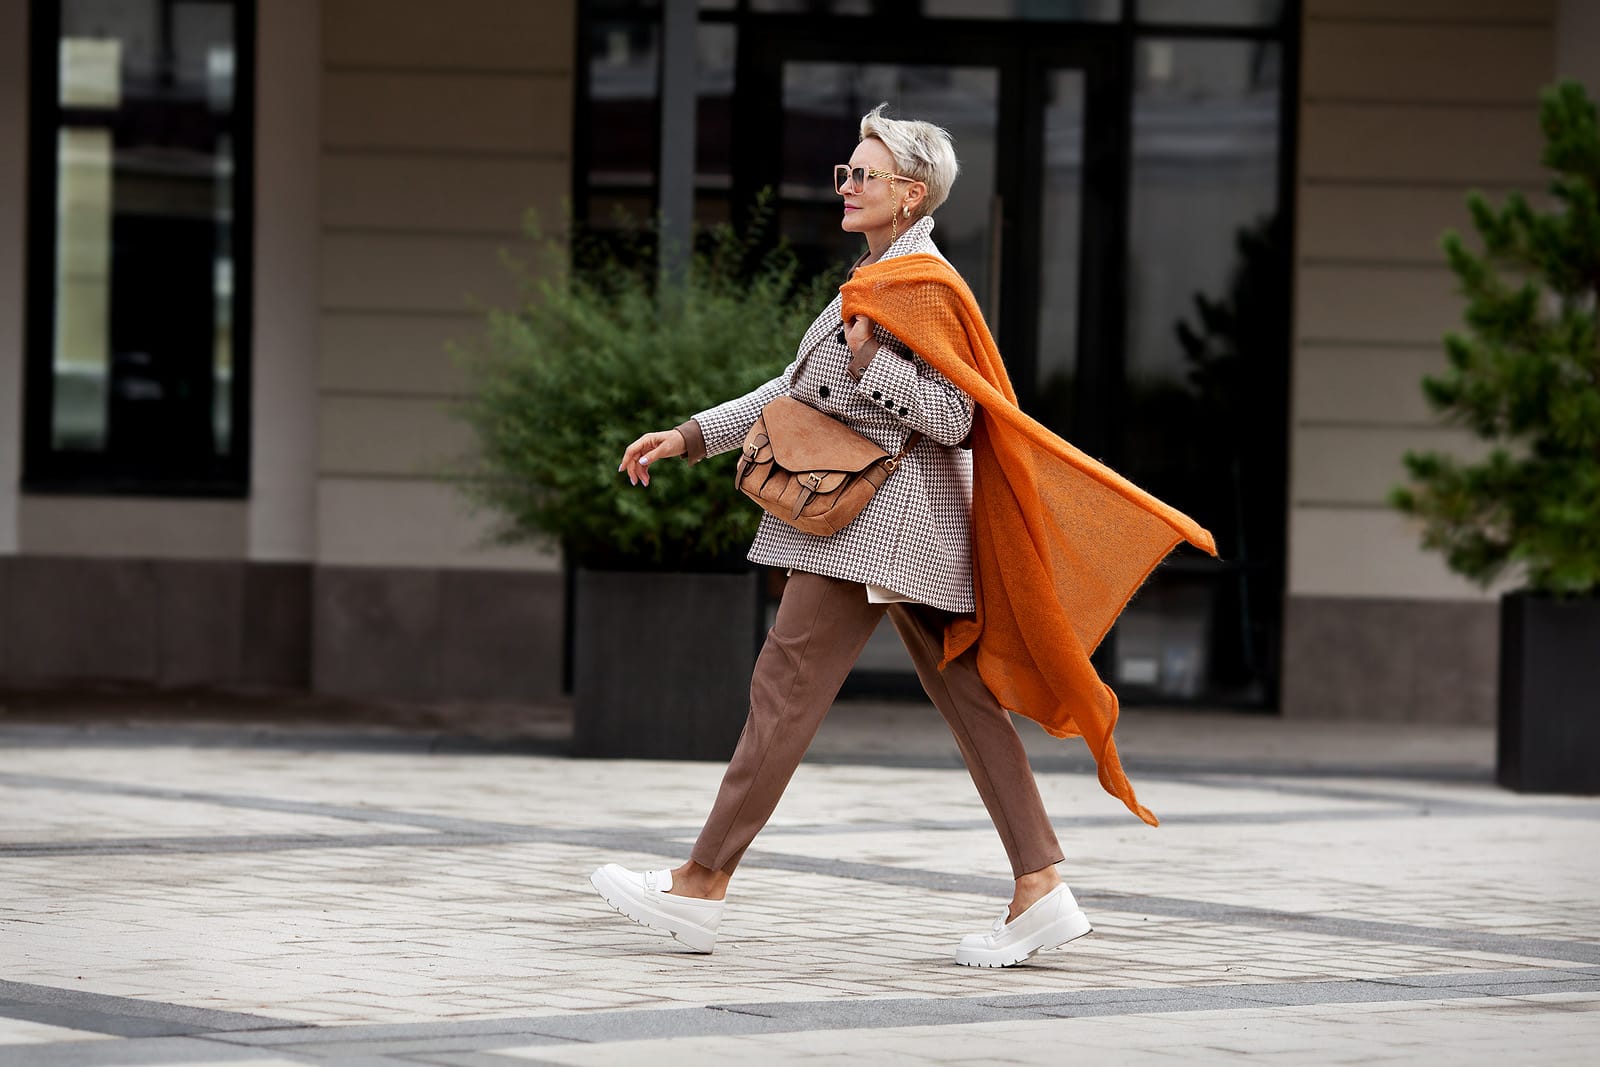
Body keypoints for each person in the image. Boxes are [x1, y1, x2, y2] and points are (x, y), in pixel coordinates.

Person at [592, 103, 1214, 967]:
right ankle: (1040, 885)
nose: (846, 185)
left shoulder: (921, 287)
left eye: (863, 174)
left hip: (873, 529)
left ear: (910, 193)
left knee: (784, 687)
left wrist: (872, 364)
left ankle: (701, 883)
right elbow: (791, 387)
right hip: (898, 537)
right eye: (846, 172)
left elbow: (959, 418)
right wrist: (694, 434)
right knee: (966, 702)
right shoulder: (873, 277)